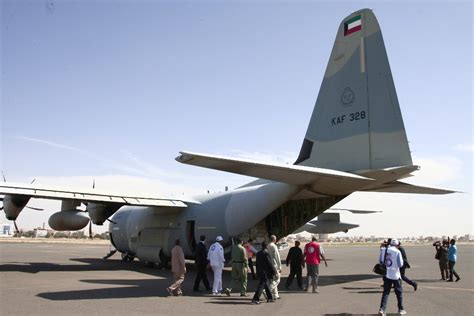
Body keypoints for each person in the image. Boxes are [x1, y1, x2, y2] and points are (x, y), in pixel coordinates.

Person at [378, 239, 406, 316]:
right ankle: (401, 310)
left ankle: (382, 310)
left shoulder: (384, 250)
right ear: (397, 245)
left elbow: (380, 260)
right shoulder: (397, 251)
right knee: (399, 293)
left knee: (386, 293)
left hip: (387, 274)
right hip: (396, 275)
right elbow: (400, 264)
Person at [267, 235, 282, 299]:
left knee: (272, 280)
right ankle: (267, 291)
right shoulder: (274, 246)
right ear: (274, 240)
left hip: (268, 265)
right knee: (277, 279)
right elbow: (277, 257)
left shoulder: (267, 246)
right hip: (274, 265)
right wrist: (280, 266)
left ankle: (276, 295)